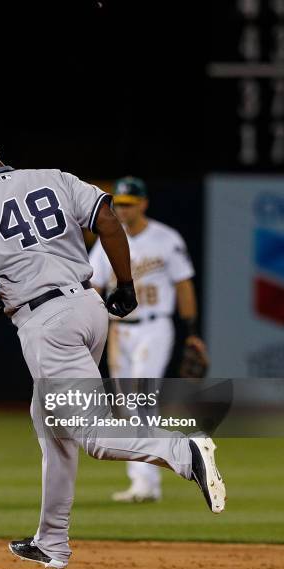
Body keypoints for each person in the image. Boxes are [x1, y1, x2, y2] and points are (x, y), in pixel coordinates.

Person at [0, 127, 226, 569]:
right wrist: (126, 283)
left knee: (91, 433)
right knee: (50, 423)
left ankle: (183, 452)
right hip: (90, 308)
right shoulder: (53, 176)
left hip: (47, 323)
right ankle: (51, 542)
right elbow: (107, 218)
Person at [89, 176, 208, 503]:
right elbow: (94, 287)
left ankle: (165, 467)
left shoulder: (166, 238)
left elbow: (184, 286)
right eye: (119, 204)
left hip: (155, 327)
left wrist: (193, 332)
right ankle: (145, 482)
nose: (123, 210)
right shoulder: (107, 240)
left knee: (143, 397)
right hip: (119, 331)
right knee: (127, 406)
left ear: (143, 203)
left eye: (129, 204)